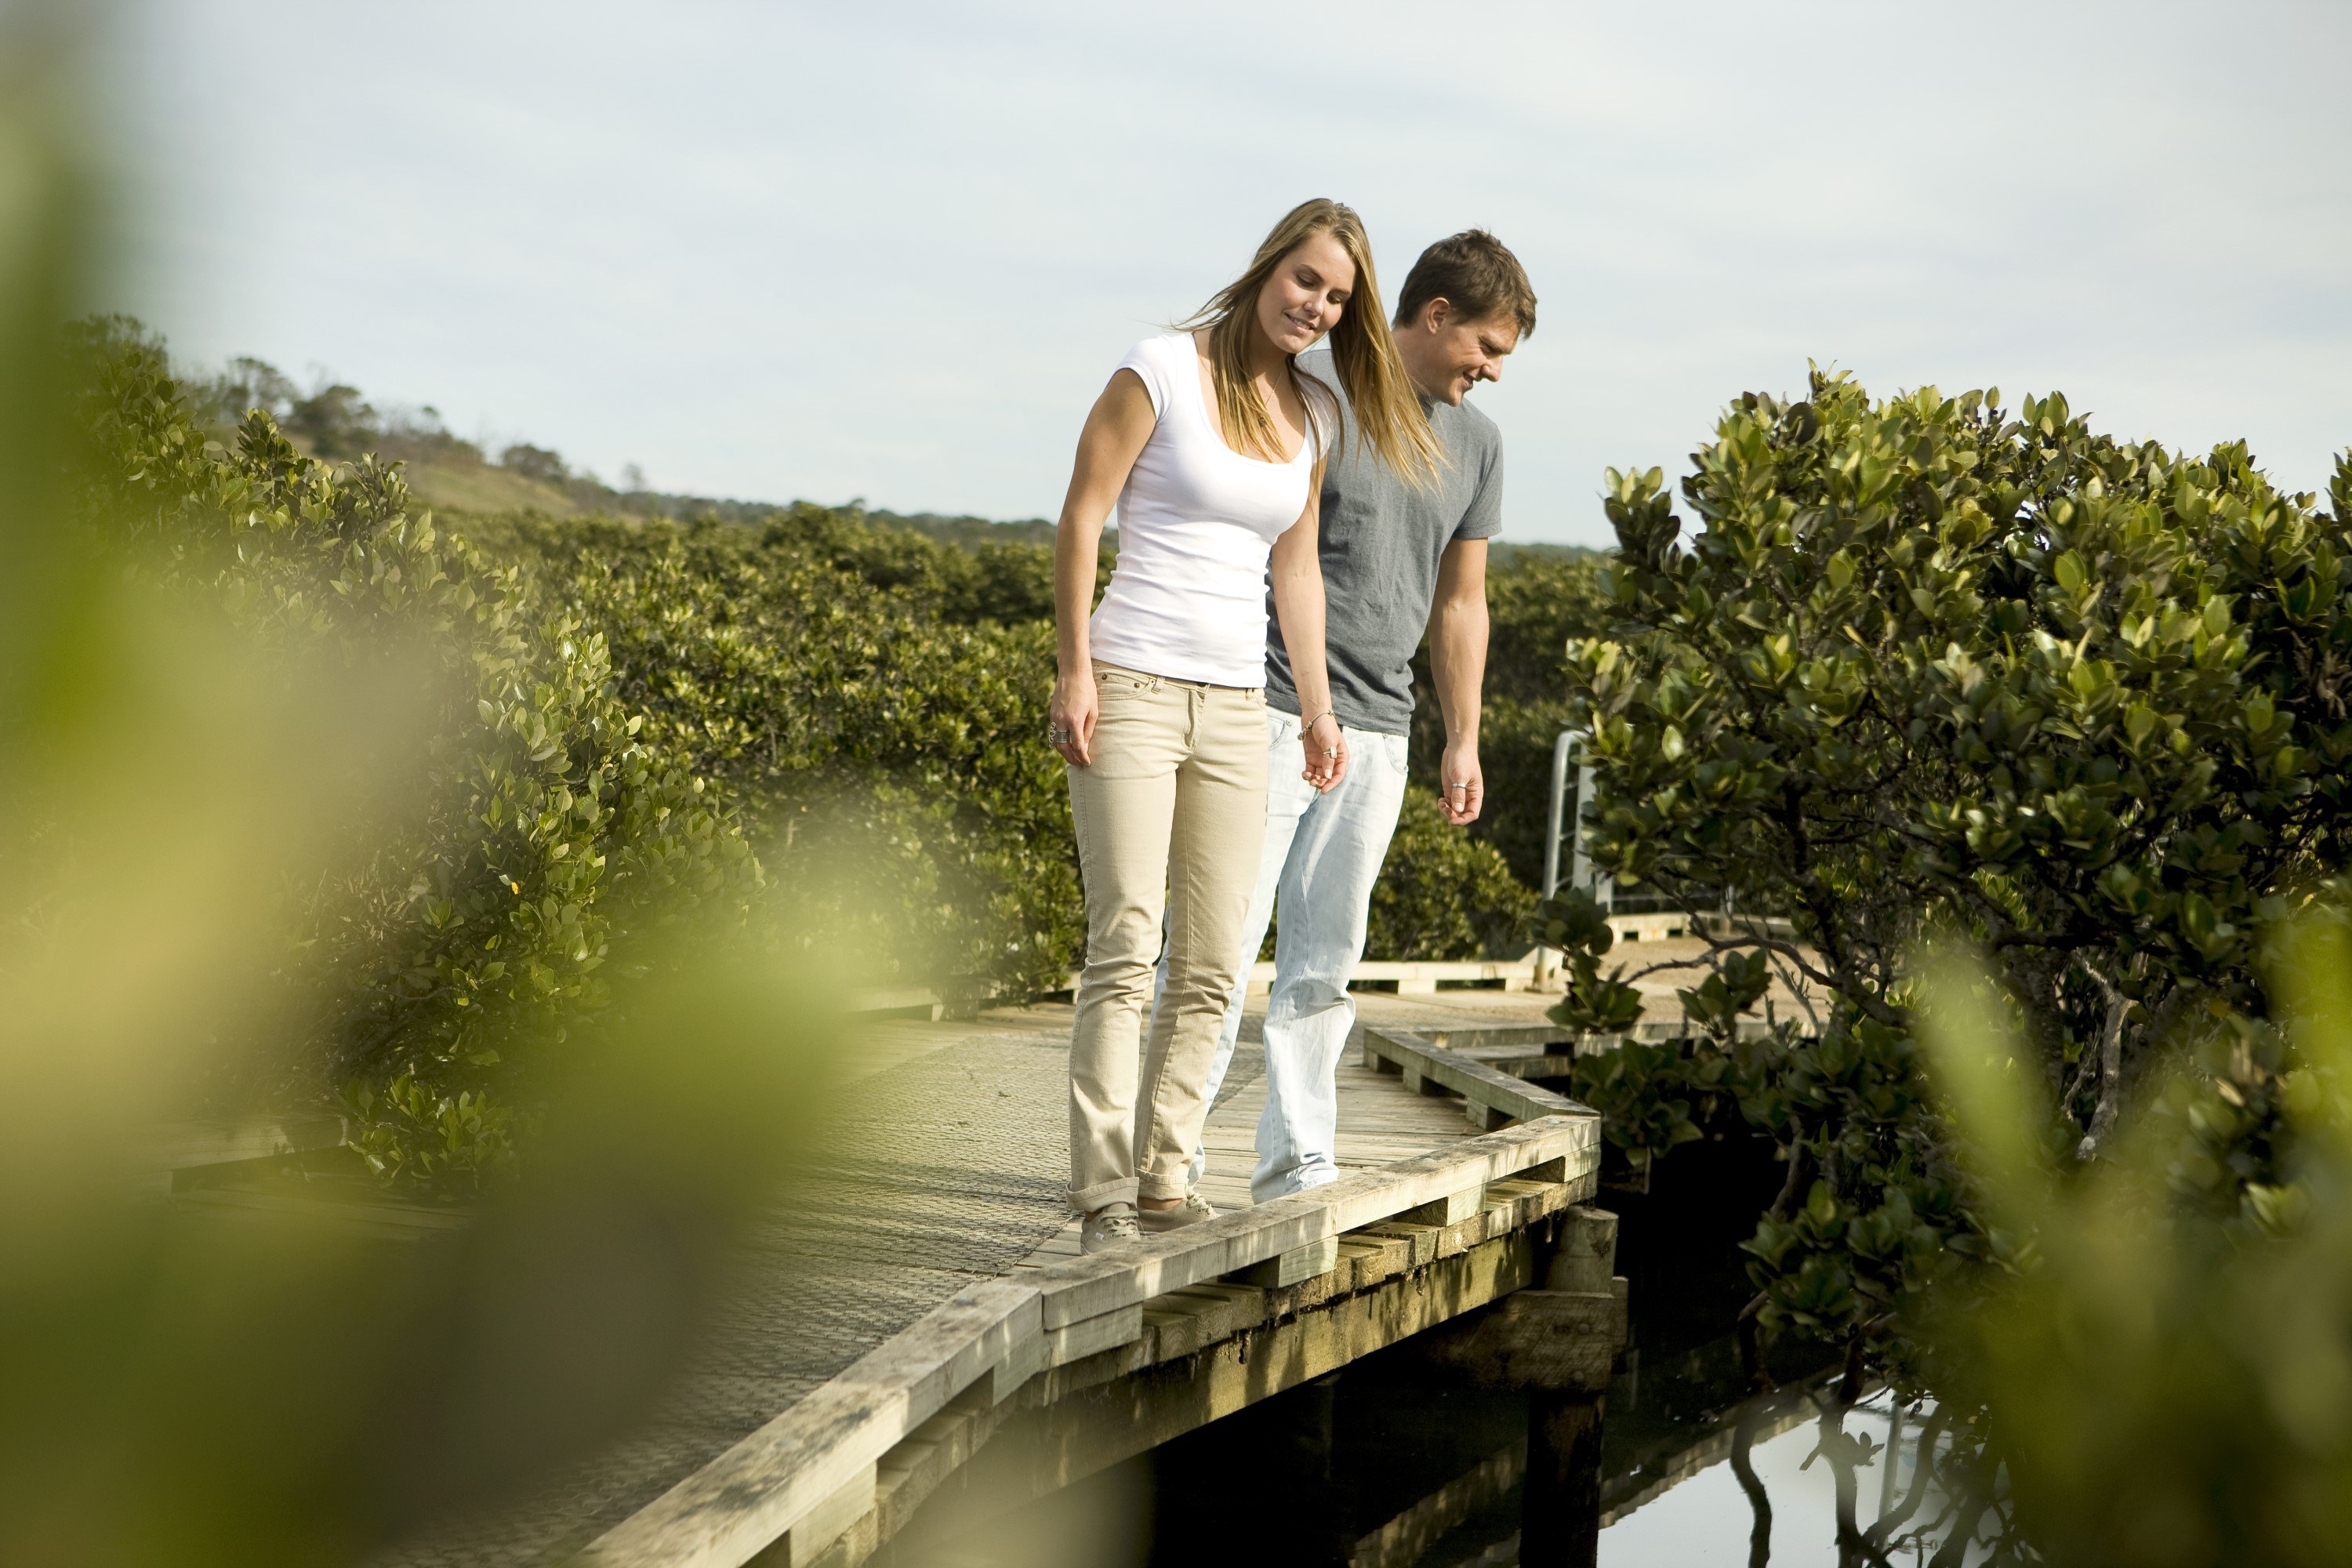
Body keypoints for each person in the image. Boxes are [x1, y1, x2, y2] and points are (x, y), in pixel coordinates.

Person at [1048, 199, 1439, 1254]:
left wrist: (1317, 707)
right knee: (1127, 946)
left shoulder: (1313, 415)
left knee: (1216, 962)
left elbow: (1295, 569)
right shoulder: (1159, 369)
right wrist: (1074, 667)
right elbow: (1084, 512)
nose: (1317, 306)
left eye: (1339, 297)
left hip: (1236, 705)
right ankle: (1103, 1198)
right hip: (1129, 681)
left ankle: (1168, 1178)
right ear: (1271, 267)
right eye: (1306, 280)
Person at [1163, 229, 1537, 1205]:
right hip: (1270, 706)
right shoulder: (1316, 392)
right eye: (1487, 349)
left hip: (1381, 729)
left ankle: (1297, 1163)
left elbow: (1462, 602)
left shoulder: (1481, 444)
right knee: (1216, 945)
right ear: (1438, 315)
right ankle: (1161, 1156)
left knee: (1324, 961)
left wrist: (1463, 734)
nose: (1493, 372)